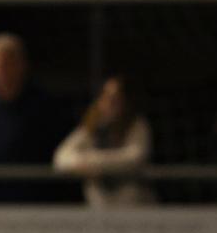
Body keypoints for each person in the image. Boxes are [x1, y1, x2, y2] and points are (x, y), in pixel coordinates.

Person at [0, 33, 69, 201]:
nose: (5, 71)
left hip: (33, 204)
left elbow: (58, 150)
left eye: (11, 64)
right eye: (1, 65)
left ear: (23, 65)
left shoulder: (45, 108)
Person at [54, 75, 155, 206]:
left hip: (133, 206)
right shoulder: (93, 125)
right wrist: (84, 163)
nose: (110, 102)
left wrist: (93, 163)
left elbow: (134, 157)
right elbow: (61, 158)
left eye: (116, 97)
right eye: (106, 96)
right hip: (100, 206)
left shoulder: (137, 124)